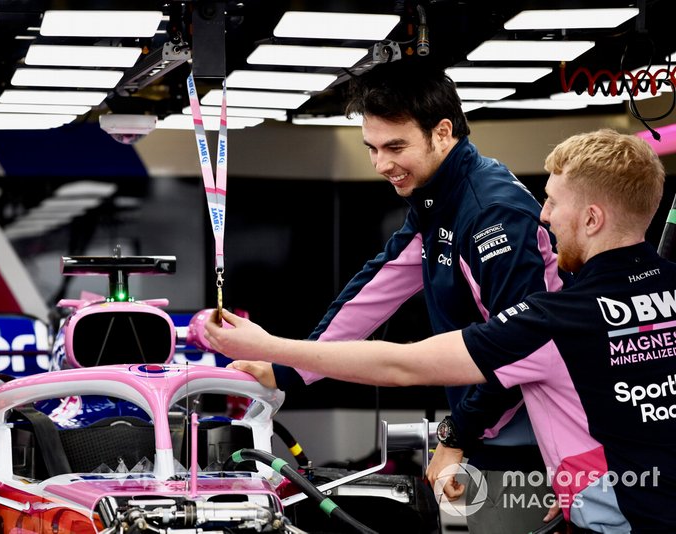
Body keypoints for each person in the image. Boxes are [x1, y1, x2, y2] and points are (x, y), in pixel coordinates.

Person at [206, 128, 675, 532]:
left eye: (552, 201)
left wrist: (273, 348)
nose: (545, 216)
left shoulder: (556, 320)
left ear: (592, 218)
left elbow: (402, 365)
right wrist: (583, 492)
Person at [232, 60, 565, 532]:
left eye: (395, 147)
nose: (382, 164)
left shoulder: (492, 212)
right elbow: (377, 286)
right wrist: (290, 368)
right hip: (496, 432)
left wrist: (457, 433)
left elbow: (519, 347)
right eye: (371, 148)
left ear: (443, 133)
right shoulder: (438, 200)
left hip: (538, 441)